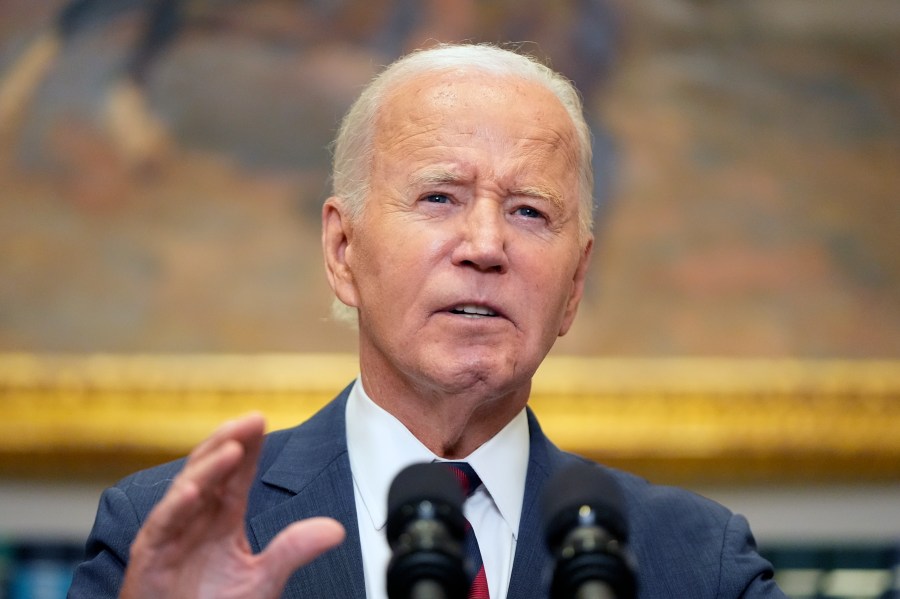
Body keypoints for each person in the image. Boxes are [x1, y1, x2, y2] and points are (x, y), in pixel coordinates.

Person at [67, 43, 786, 598]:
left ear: (574, 287)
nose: (484, 245)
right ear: (343, 249)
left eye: (529, 211)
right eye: (440, 197)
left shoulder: (698, 562)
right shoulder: (161, 536)